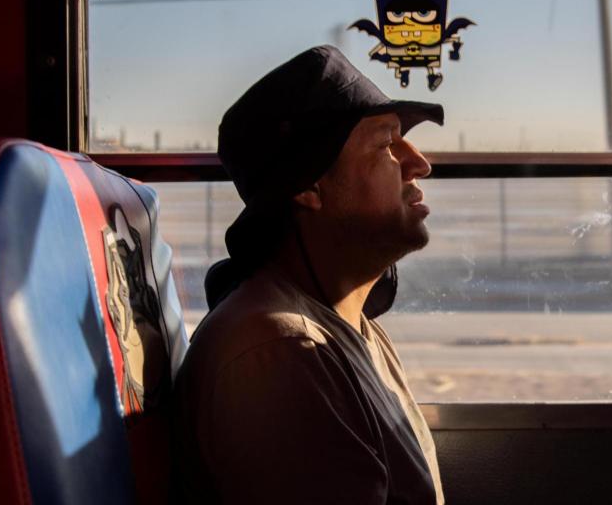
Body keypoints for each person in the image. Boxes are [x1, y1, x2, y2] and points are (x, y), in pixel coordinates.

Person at [172, 45, 446, 504]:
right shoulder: (281, 353)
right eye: (386, 144)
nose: (419, 163)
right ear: (308, 187)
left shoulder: (353, 329)